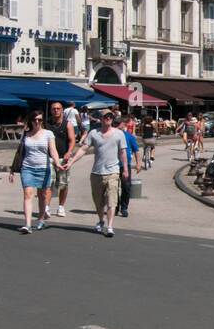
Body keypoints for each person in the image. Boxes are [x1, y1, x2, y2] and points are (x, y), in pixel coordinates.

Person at [63, 109, 129, 238]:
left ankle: (110, 226)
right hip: (97, 172)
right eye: (106, 116)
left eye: (110, 116)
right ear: (101, 118)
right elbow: (83, 149)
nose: (108, 118)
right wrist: (71, 162)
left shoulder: (119, 134)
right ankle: (101, 220)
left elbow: (122, 152)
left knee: (112, 200)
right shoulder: (94, 133)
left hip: (113, 172)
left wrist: (125, 169)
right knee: (98, 201)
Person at [7, 111, 61, 234]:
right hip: (27, 168)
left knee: (42, 195)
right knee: (28, 193)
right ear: (31, 121)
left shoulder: (48, 134)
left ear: (42, 121)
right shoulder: (26, 134)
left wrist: (57, 163)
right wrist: (12, 170)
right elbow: (19, 153)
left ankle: (41, 219)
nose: (37, 122)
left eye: (40, 120)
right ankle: (28, 224)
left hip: (43, 168)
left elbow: (53, 150)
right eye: (35, 119)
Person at [43, 101, 77, 218]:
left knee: (64, 184)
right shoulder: (46, 124)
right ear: (51, 111)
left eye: (58, 109)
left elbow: (72, 140)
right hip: (49, 157)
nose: (56, 111)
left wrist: (69, 152)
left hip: (63, 157)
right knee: (48, 183)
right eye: (54, 109)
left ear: (62, 110)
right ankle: (46, 207)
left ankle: (61, 207)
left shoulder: (67, 124)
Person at [116, 113, 142, 218]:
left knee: (126, 187)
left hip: (125, 164)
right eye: (115, 123)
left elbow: (136, 150)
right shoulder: (112, 134)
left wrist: (138, 164)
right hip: (113, 164)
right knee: (113, 188)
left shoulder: (129, 136)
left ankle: (124, 207)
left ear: (123, 124)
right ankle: (115, 206)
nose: (116, 125)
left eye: (118, 123)